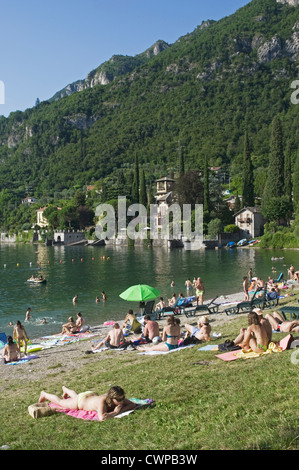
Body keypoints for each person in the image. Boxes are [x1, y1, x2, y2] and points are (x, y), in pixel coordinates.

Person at [38, 385, 137, 421]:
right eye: (119, 400)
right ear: (112, 398)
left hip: (90, 395)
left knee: (76, 396)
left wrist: (120, 409)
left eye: (122, 398)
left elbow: (132, 404)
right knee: (60, 402)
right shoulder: (102, 401)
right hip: (80, 402)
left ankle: (65, 389)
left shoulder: (118, 398)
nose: (122, 401)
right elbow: (102, 417)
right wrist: (115, 412)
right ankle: (44, 394)